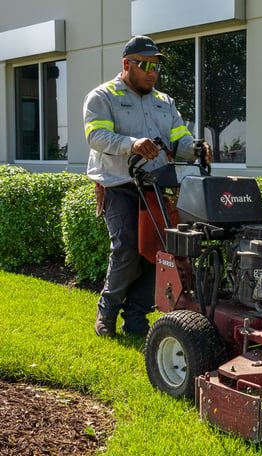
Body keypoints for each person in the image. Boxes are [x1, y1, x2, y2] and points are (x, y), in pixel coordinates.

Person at [84, 35, 212, 337]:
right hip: (120, 185)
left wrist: (195, 148)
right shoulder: (103, 97)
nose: (151, 72)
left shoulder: (164, 102)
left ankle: (136, 317)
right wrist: (133, 144)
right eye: (144, 65)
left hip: (157, 187)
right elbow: (96, 137)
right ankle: (108, 310)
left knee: (160, 252)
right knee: (127, 248)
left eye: (155, 67)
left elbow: (179, 139)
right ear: (127, 64)